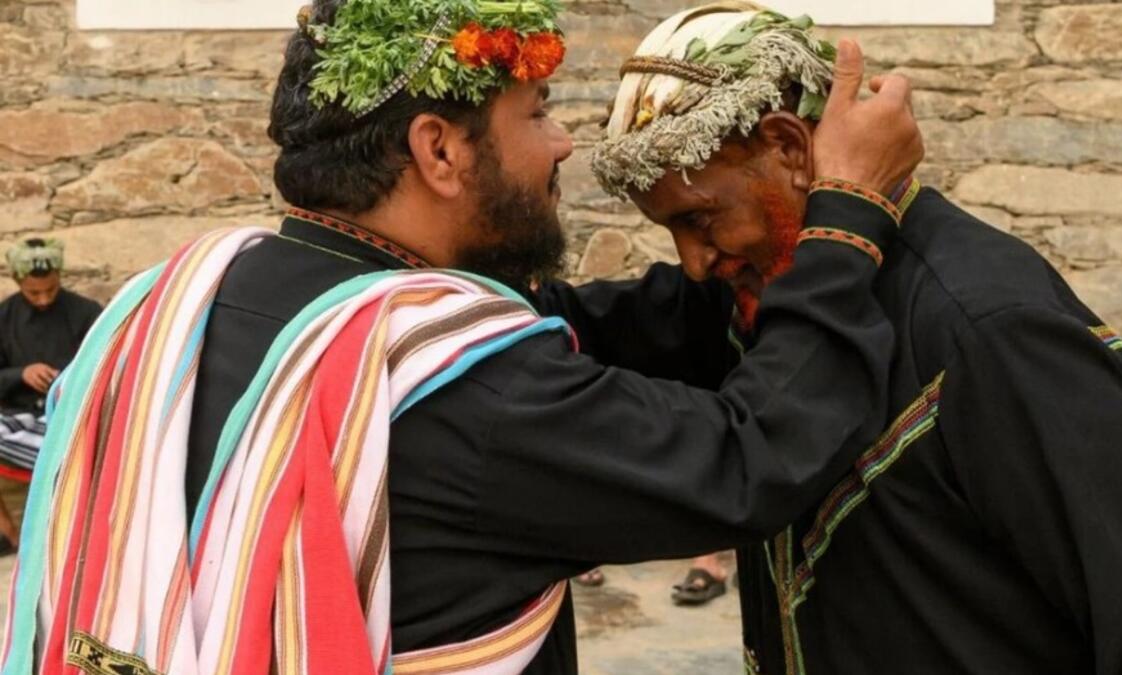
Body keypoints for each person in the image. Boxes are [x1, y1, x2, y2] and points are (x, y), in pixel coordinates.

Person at [1, 1, 922, 674]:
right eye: (539, 113)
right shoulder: (453, 389)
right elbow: (749, 458)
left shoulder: (197, 296)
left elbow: (575, 322)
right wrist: (845, 222)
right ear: (440, 151)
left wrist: (730, 260)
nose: (563, 145)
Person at [593, 3, 1122, 673]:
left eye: (702, 218)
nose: (695, 261)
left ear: (791, 148)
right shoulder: (767, 296)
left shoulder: (991, 326)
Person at [0, 239, 100, 557]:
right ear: (17, 282)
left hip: (72, 414)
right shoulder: (3, 318)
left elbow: (106, 365)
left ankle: (81, 531)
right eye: (34, 293)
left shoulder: (87, 312)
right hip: (20, 416)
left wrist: (68, 379)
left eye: (51, 290)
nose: (43, 299)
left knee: (80, 444)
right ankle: (6, 532)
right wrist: (21, 374)